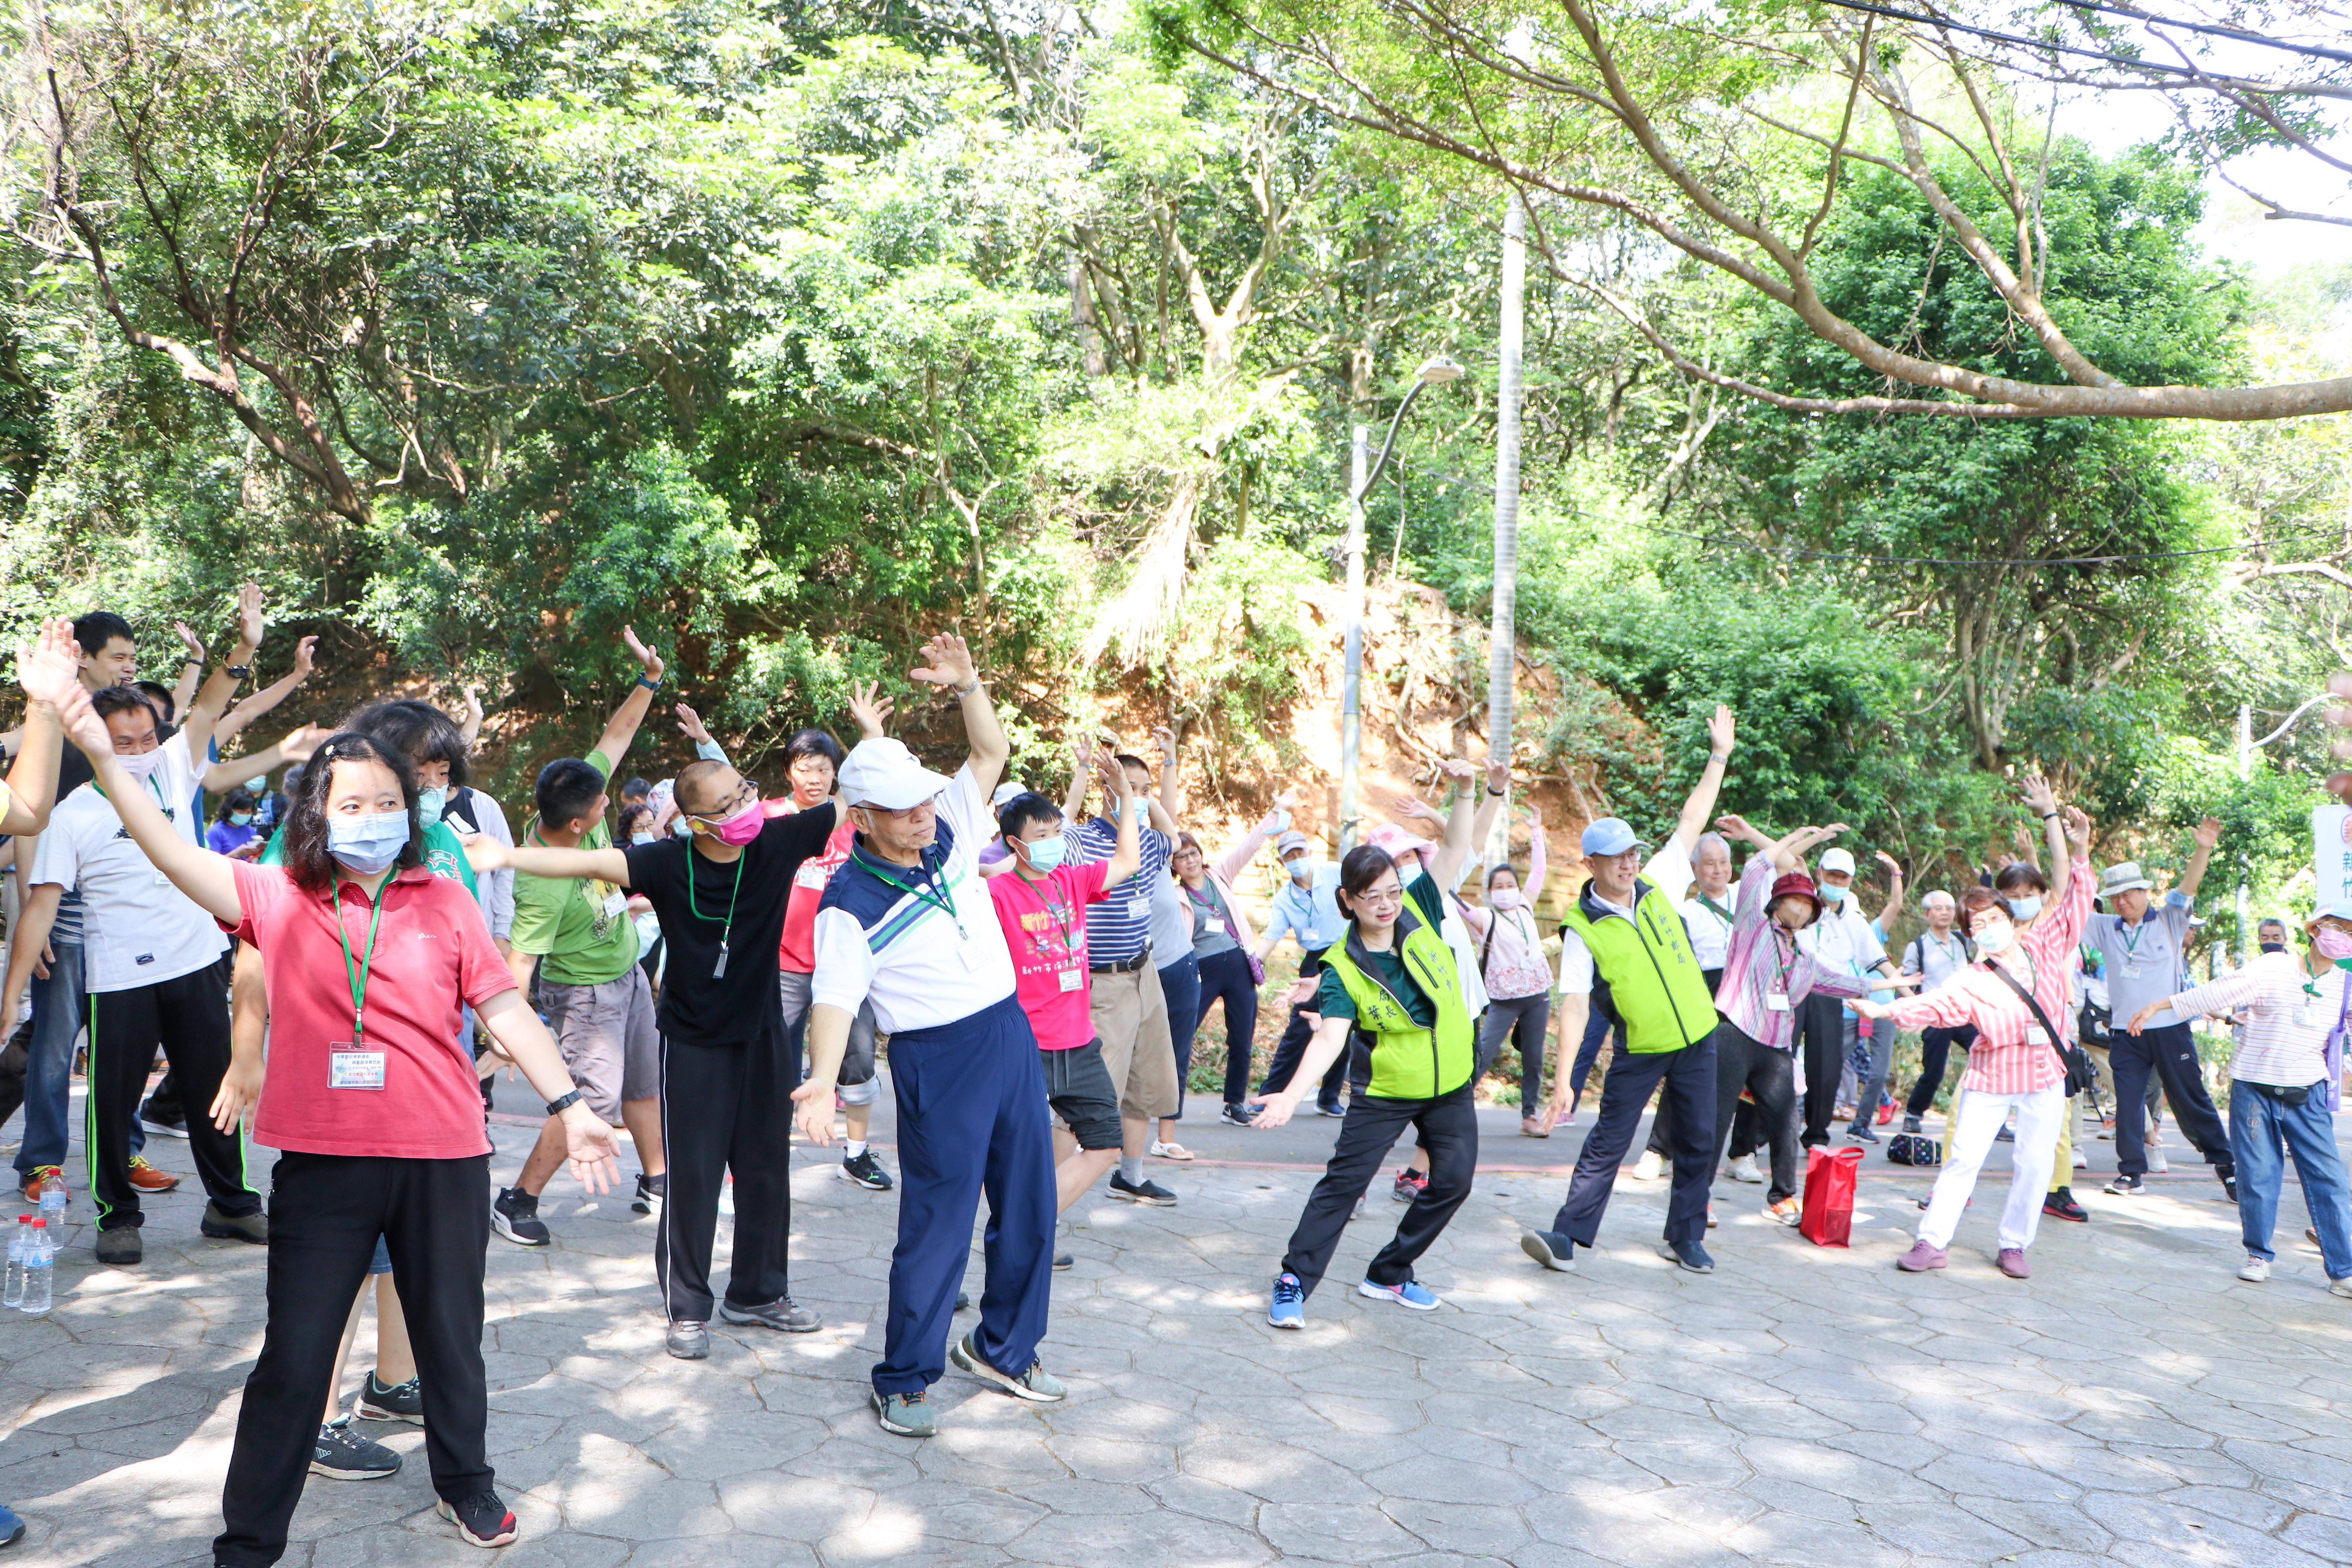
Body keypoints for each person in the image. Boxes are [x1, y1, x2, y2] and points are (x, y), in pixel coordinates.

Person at [69, 710, 622, 1564]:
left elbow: (503, 1004)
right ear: (318, 812)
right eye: (354, 801)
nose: (376, 814)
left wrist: (568, 1102)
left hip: (443, 1154)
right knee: (295, 1355)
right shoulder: (276, 890)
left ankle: (464, 1479)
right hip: (324, 1164)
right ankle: (250, 1541)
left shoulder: (441, 896)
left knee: (451, 1334)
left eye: (392, 799)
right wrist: (106, 755)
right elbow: (171, 852)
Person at [463, 706, 844, 1362]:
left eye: (745, 792)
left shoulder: (779, 842)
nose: (744, 806)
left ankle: (758, 1292)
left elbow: (856, 801)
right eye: (727, 802)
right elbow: (584, 861)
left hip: (763, 1037)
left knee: (765, 1170)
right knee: (693, 1177)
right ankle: (687, 1307)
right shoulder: (668, 862)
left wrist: (869, 734)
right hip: (692, 1041)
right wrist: (503, 854)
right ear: (698, 821)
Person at [794, 634, 1067, 1441]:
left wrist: (970, 683)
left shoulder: (948, 819)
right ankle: (906, 1376)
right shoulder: (848, 899)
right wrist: (818, 1078)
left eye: (924, 799)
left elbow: (990, 748)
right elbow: (836, 997)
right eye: (903, 807)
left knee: (1030, 1203)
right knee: (939, 1222)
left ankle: (1005, 1347)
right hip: (937, 1058)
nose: (922, 813)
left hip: (1007, 1032)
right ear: (863, 817)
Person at [20, 645, 268, 1264]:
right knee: (113, 1102)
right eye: (121, 742)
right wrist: (11, 991)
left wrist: (244, 650)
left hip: (196, 960)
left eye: (144, 738)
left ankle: (231, 1206)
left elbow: (210, 705)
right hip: (118, 978)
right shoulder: (70, 815)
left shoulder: (174, 772)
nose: (137, 751)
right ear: (95, 744)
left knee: (215, 1090)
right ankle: (118, 1217)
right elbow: (41, 905)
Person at [1256, 761, 1480, 1327]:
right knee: (1343, 1185)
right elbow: (1331, 1038)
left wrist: (1468, 790)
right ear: (1349, 901)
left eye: (1393, 892)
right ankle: (1292, 1282)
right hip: (1386, 1089)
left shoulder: (1424, 909)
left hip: (1451, 1083)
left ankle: (1390, 1272)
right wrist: (1289, 1095)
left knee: (1453, 1181)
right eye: (1372, 896)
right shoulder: (1341, 967)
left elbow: (1455, 844)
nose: (1387, 904)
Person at [1849, 805, 2094, 1279]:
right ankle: (1932, 1240)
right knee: (1963, 1159)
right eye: (1976, 926)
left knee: (2035, 1162)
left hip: (2045, 1073)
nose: (1988, 928)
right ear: (1970, 935)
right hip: (1991, 1074)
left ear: (2009, 916)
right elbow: (1935, 1005)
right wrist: (1884, 1009)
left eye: (1993, 918)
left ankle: (2015, 1245)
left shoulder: (2044, 943)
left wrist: (2081, 848)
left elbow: (2077, 900)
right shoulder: (1972, 977)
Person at [495, 629, 675, 1242]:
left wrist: (649, 679)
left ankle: (657, 1181)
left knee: (645, 1083)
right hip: (586, 996)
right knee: (590, 1102)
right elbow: (521, 962)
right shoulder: (540, 879)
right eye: (602, 808)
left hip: (628, 977)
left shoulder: (577, 806)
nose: (610, 807)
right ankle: (518, 1198)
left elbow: (615, 737)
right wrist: (510, 1036)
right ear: (577, 821)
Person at [1524, 810, 1725, 1277]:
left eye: (1633, 853)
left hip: (1697, 1035)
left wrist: (1719, 755)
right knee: (1609, 1140)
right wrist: (1563, 1082)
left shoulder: (1659, 885)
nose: (1629, 864)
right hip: (1641, 1046)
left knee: (1699, 1138)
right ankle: (1566, 1237)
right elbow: (1574, 1004)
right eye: (1616, 857)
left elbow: (1693, 819)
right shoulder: (1583, 926)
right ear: (1591, 863)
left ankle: (1686, 1237)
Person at [2124, 902, 2352, 1293]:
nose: (2342, 937)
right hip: (2254, 1088)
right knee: (2258, 1175)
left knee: (2329, 1178)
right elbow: (2222, 990)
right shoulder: (2275, 967)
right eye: (2336, 927)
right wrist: (2163, 1005)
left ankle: (2344, 1269)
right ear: (2315, 929)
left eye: (2350, 932)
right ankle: (2259, 1255)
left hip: (2307, 1091)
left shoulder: (2346, 985)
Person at [987, 767, 1140, 1225]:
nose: (1054, 840)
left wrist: (1126, 798)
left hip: (1079, 1042)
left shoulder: (1071, 880)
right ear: (1015, 843)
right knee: (1010, 1156)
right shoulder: (995, 893)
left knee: (1106, 1142)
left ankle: (1026, 1228)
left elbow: (1128, 861)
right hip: (1024, 1047)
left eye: (1058, 831)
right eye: (1042, 834)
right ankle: (1001, 1240)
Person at [1707, 818, 1875, 1223]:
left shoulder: (1802, 953)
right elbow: (1754, 870)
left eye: (1807, 905)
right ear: (1777, 903)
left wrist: (1893, 983)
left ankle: (1783, 1196)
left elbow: (1835, 980)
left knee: (1786, 1118)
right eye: (1794, 901)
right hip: (1735, 1032)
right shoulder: (1752, 926)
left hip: (1775, 1045)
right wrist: (1795, 836)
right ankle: (1698, 1194)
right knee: (1715, 1116)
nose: (1800, 909)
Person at [775, 684, 893, 1190]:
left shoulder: (852, 822)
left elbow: (885, 785)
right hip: (782, 966)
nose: (816, 777)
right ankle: (758, 1162)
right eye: (806, 768)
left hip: (846, 967)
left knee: (861, 1063)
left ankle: (858, 1152)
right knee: (773, 1065)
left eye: (825, 769)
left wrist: (875, 735)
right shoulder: (771, 819)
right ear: (789, 773)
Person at [2086, 822, 2238, 1200]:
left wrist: (2203, 848)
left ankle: (2228, 1167)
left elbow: (2188, 888)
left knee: (2191, 1098)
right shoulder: (2106, 928)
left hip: (2170, 1028)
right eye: (2115, 897)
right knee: (2129, 1103)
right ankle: (2131, 1173)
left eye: (2128, 894)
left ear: (2144, 892)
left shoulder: (2170, 920)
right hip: (2125, 1032)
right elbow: (2064, 907)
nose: (2122, 902)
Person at [1056, 745, 1180, 1204]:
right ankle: (1043, 1202)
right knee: (1083, 1096)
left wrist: (1160, 775)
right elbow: (1061, 827)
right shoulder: (1080, 842)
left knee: (1146, 1082)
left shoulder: (1150, 842)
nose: (1141, 799)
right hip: (1101, 982)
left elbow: (1175, 833)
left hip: (1143, 973)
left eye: (1146, 791)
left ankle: (1130, 1175)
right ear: (1106, 792)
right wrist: (1088, 771)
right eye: (1131, 789)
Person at [1457, 807, 1551, 1137]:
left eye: (1510, 883)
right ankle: (1456, 1107)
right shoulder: (1487, 917)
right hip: (1504, 999)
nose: (1505, 889)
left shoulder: (1525, 906)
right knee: (1484, 1051)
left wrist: (1536, 831)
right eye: (1498, 885)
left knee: (1534, 1059)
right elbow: (1458, 904)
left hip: (1538, 995)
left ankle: (1529, 1116)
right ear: (1491, 891)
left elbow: (1539, 870)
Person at [1249, 829, 1352, 1119]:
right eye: (1290, 856)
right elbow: (1273, 934)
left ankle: (1329, 1097)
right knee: (1299, 1030)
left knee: (1343, 1025)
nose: (1297, 859)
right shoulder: (1285, 898)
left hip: (1347, 951)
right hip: (1315, 960)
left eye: (1300, 852)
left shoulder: (1334, 873)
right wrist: (1254, 964)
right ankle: (1269, 1093)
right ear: (1283, 862)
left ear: (1309, 852)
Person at [1804, 846, 1902, 1146]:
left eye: (1843, 879)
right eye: (1831, 876)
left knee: (1848, 1068)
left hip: (1857, 1002)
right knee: (1800, 1064)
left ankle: (1833, 1129)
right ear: (1820, 874)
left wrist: (1908, 992)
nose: (1836, 883)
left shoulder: (1862, 925)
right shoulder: (1807, 908)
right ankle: (1764, 1133)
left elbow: (1881, 960)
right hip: (1819, 997)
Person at [1897, 891, 1976, 1131]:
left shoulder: (1962, 941)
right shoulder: (1918, 946)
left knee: (1988, 1058)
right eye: (1939, 908)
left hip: (1964, 1015)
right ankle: (1913, 1114)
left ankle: (1995, 1119)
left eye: (1949, 908)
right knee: (1934, 1071)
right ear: (1927, 913)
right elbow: (1905, 981)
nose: (1945, 913)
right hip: (1936, 1018)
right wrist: (1917, 1008)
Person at [209, 789, 265, 858]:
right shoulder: (216, 831)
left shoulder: (250, 831)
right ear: (230, 809)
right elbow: (212, 863)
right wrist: (237, 854)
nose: (245, 815)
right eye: (242, 812)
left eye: (248, 813)